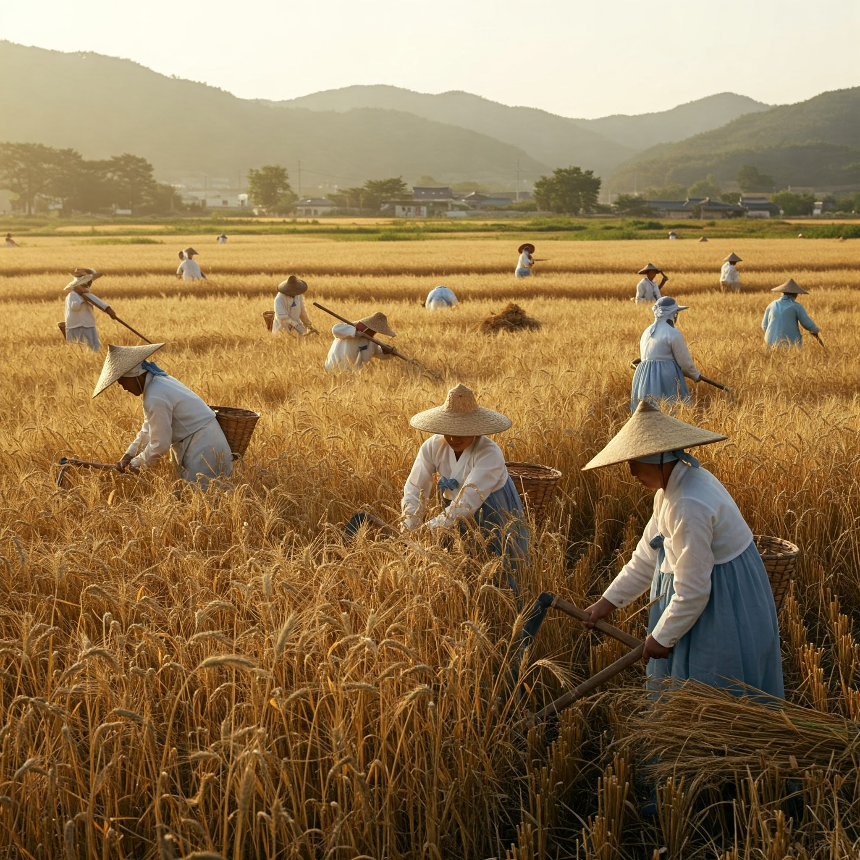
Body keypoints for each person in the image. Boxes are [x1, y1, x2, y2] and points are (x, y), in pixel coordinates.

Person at [581, 400, 784, 702]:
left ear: (661, 457)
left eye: (636, 461)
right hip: (695, 592)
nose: (631, 470)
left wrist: (663, 637)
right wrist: (606, 603)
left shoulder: (689, 503)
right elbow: (647, 556)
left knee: (714, 685)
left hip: (722, 600)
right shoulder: (669, 491)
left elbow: (694, 591)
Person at [401, 384, 528, 585]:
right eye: (449, 431)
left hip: (493, 513)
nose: (453, 438)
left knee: (498, 571)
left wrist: (428, 530)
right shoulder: (433, 446)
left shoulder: (489, 453)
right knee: (460, 569)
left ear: (475, 429)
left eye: (461, 432)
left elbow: (467, 502)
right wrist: (409, 527)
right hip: (452, 514)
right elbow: (415, 488)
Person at [92, 343, 232, 489]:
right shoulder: (158, 383)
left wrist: (137, 463)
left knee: (203, 497)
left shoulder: (155, 395)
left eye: (122, 382)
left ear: (135, 375)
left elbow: (160, 444)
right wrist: (129, 455)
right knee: (196, 496)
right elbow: (148, 429)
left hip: (203, 447)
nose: (124, 388)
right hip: (204, 440)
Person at [631, 297, 701, 411]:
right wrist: (695, 375)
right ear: (673, 314)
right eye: (676, 313)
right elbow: (684, 363)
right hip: (665, 376)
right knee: (670, 412)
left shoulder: (646, 332)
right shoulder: (673, 333)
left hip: (642, 378)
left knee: (646, 413)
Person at [64, 268, 117, 352]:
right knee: (80, 347)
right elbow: (74, 307)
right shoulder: (72, 295)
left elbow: (99, 302)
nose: (89, 284)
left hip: (88, 325)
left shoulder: (87, 295)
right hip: (77, 326)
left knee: (94, 346)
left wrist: (108, 309)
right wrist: (83, 299)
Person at [325, 312, 397, 372]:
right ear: (368, 328)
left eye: (375, 331)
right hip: (333, 370)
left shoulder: (370, 341)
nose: (374, 333)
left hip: (352, 376)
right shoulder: (348, 329)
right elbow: (335, 329)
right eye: (373, 331)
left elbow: (378, 353)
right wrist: (355, 332)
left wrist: (387, 352)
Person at [761, 279, 820, 348]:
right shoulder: (796, 306)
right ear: (795, 294)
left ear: (783, 292)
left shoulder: (772, 304)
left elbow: (764, 326)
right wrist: (814, 330)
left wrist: (774, 333)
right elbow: (806, 323)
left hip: (770, 343)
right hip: (790, 343)